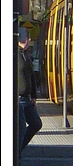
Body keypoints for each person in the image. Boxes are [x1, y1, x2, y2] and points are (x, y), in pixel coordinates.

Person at [18, 27, 42, 158]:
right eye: (25, 39)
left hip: (26, 98)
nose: (27, 42)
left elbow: (31, 76)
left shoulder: (25, 55)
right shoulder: (15, 54)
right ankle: (16, 160)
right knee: (20, 130)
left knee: (36, 123)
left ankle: (18, 153)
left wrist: (33, 96)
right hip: (18, 99)